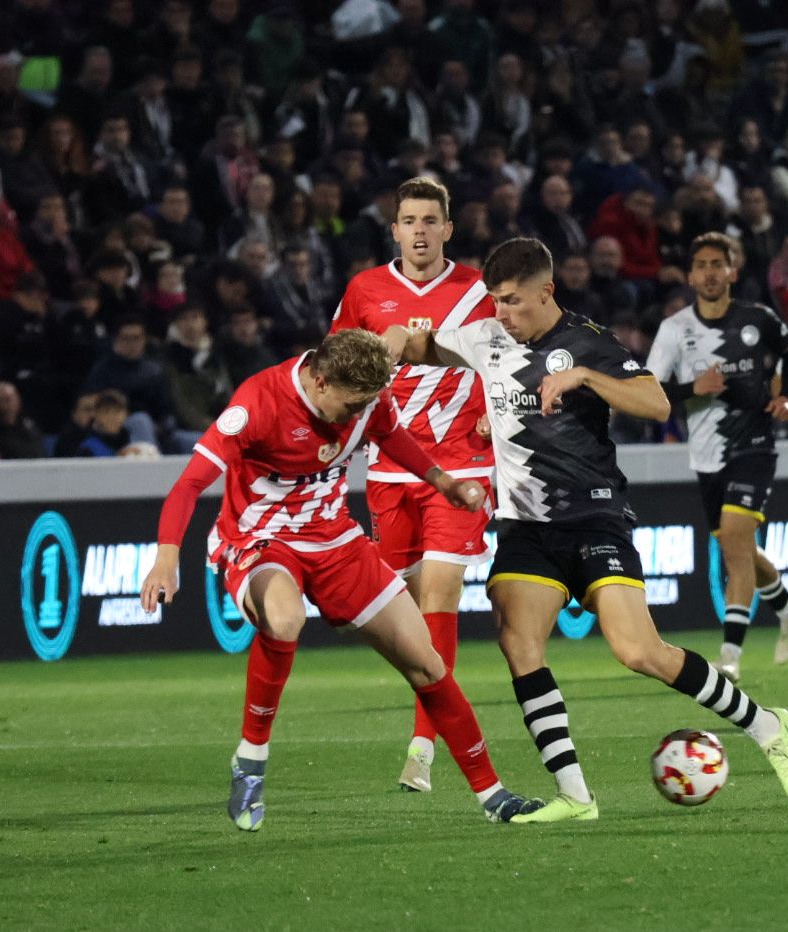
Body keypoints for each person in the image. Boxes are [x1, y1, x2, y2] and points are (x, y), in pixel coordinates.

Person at [382, 237, 788, 823]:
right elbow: (419, 343)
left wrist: (584, 376)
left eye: (512, 301)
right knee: (518, 642)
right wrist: (387, 343)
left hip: (594, 515)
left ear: (546, 291)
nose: (501, 313)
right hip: (526, 525)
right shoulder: (485, 336)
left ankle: (768, 726)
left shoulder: (588, 342)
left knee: (639, 651)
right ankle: (575, 796)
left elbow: (657, 403)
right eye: (494, 301)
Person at [138, 329, 542, 830]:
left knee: (427, 663)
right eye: (350, 406)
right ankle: (251, 759)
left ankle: (493, 795)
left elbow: (394, 437)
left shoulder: (366, 399)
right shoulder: (258, 402)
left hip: (335, 541)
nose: (357, 416)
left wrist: (443, 482)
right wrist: (165, 556)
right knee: (283, 619)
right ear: (320, 380)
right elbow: (191, 482)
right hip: (261, 539)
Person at [328, 176, 498, 795]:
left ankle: (424, 746)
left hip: (463, 467)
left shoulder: (479, 289)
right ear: (394, 229)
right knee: (393, 617)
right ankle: (432, 716)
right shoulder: (365, 290)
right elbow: (336, 366)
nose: (420, 231)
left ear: (448, 229)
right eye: (409, 220)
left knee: (439, 594)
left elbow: (506, 356)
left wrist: (492, 412)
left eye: (431, 220)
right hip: (390, 468)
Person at [646, 233, 788, 683]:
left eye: (718, 264)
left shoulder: (757, 319)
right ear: (691, 275)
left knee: (736, 538)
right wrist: (692, 389)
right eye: (701, 264)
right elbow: (650, 388)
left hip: (754, 444)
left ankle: (731, 654)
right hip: (706, 456)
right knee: (736, 546)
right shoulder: (675, 329)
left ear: (732, 271)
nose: (710, 272)